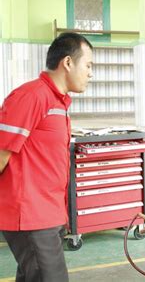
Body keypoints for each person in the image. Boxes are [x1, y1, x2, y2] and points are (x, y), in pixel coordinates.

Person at [0, 32, 93, 282]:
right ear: (68, 63)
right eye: (88, 65)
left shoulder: (58, 102)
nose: (90, 73)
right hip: (30, 215)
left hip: (47, 212)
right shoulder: (32, 96)